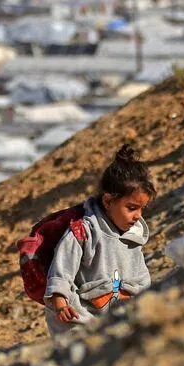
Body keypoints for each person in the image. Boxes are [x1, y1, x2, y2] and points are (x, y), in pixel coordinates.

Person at [44, 144, 156, 336]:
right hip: (78, 319)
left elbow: (140, 278)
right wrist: (61, 303)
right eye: (131, 208)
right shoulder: (84, 231)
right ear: (107, 201)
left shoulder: (134, 236)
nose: (138, 215)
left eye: (141, 208)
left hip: (114, 321)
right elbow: (61, 271)